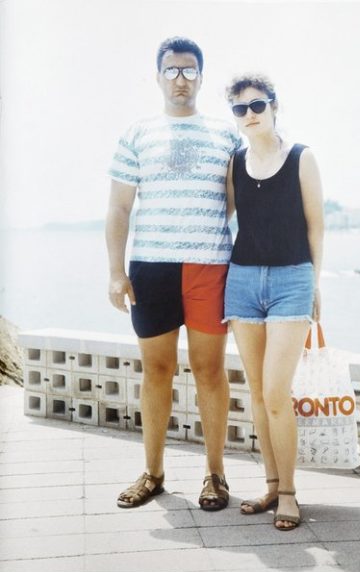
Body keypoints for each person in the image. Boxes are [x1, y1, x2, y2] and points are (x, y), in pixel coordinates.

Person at [105, 36, 241, 511]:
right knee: (157, 370)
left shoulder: (226, 135)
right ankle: (153, 473)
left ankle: (215, 475)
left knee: (210, 370)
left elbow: (233, 203)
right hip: (151, 268)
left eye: (189, 70)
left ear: (201, 77)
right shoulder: (137, 133)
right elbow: (119, 208)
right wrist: (116, 272)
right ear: (158, 76)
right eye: (171, 70)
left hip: (209, 266)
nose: (180, 79)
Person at [223, 74, 324, 530]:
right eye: (240, 108)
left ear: (274, 106)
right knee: (259, 395)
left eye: (257, 105)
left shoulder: (302, 158)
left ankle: (288, 493)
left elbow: (316, 226)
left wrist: (314, 284)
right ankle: (269, 484)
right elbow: (225, 217)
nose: (250, 114)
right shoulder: (234, 163)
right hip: (242, 282)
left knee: (276, 393)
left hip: (291, 281)